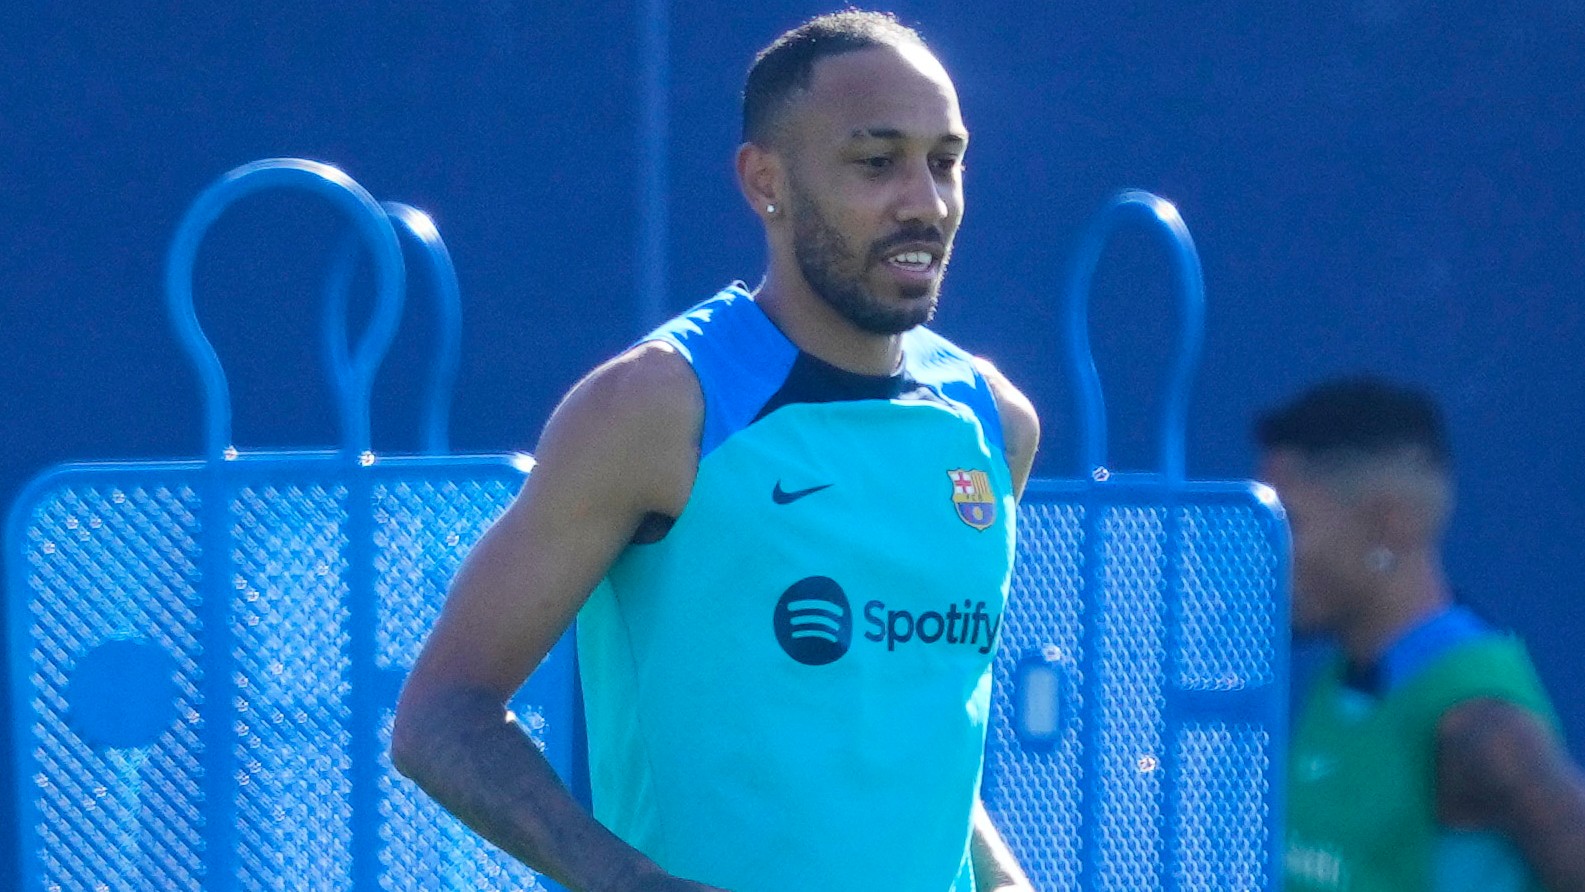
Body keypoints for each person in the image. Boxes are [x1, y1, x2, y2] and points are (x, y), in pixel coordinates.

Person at [391, 10, 1039, 892]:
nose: (923, 201)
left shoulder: (993, 423)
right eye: (875, 162)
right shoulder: (658, 406)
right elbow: (440, 715)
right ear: (766, 181)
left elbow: (911, 728)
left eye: (944, 161)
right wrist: (627, 882)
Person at [1255, 376, 1585, 892]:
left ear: (1388, 525)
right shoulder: (1344, 678)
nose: (1264, 553)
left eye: (1290, 523)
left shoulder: (1478, 722)